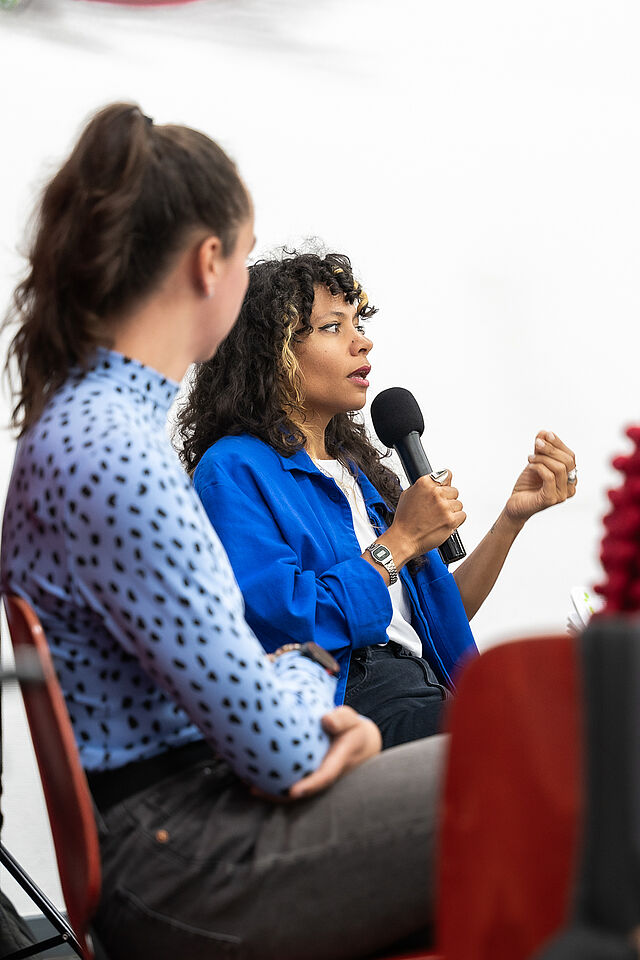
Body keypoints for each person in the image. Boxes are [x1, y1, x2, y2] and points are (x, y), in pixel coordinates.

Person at [1, 104, 447, 960]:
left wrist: (293, 680)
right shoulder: (118, 454)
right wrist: (321, 694)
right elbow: (278, 749)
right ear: (210, 262)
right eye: (245, 258)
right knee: (562, 770)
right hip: (193, 856)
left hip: (182, 832)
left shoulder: (84, 428)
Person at [177, 251, 578, 748]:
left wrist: (511, 520)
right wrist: (400, 541)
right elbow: (287, 622)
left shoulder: (357, 472)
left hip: (431, 690)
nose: (362, 341)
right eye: (331, 327)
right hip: (350, 708)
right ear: (270, 352)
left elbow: (438, 616)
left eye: (357, 322)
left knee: (583, 708)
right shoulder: (234, 468)